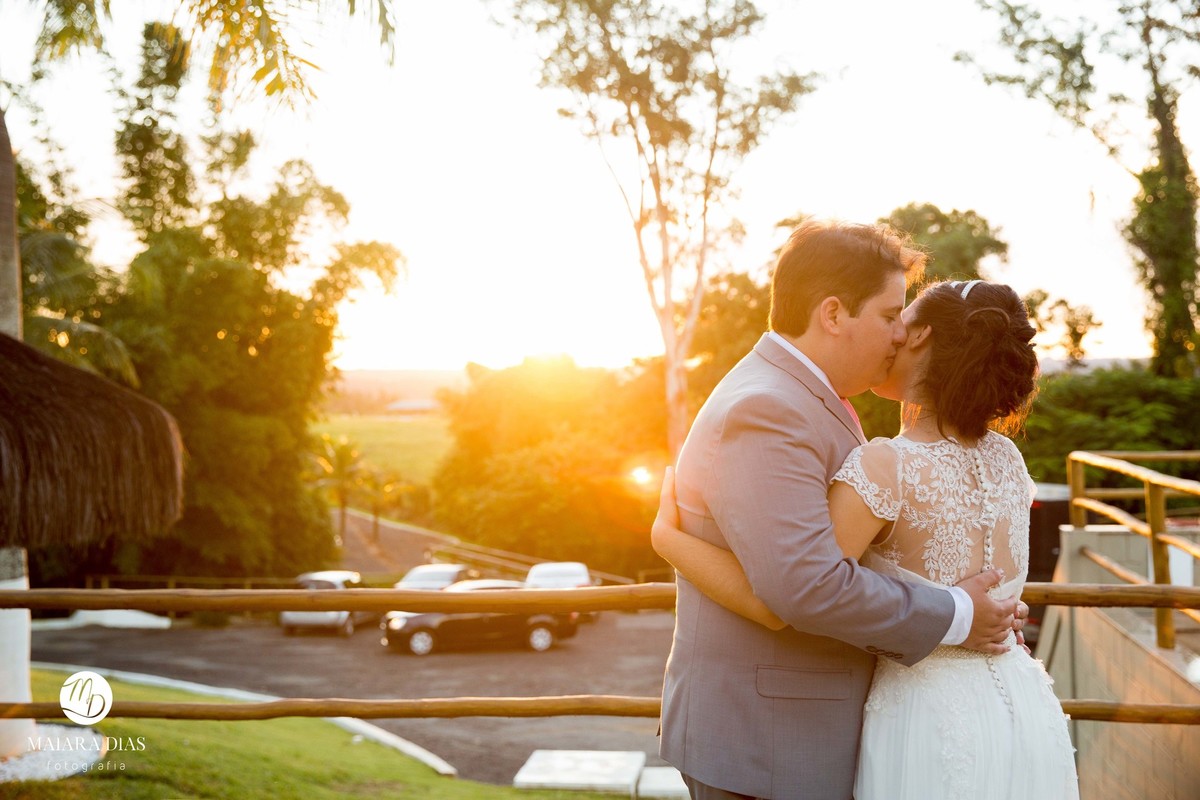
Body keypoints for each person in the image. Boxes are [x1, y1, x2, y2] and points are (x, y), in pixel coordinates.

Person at [655, 274, 1079, 799]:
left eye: (898, 318)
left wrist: (668, 541)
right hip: (1016, 706)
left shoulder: (885, 464)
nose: (893, 333)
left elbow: (796, 592)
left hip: (926, 716)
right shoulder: (1006, 459)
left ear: (919, 336)